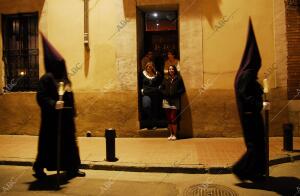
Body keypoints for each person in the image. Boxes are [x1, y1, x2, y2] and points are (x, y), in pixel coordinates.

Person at [33, 34, 85, 179]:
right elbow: (41, 97)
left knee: (70, 144)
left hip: (66, 118)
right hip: (52, 120)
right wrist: (53, 103)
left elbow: (70, 96)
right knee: (47, 145)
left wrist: (72, 109)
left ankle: (72, 168)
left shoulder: (64, 79)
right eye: (59, 63)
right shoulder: (46, 78)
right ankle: (39, 168)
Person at [232, 19, 266, 182]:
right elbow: (245, 94)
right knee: (254, 145)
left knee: (258, 144)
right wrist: (259, 104)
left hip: (251, 114)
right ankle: (240, 170)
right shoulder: (247, 73)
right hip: (250, 115)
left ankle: (255, 172)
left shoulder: (247, 72)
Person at [160, 65, 185, 140]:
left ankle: (175, 134)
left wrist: (176, 93)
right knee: (168, 118)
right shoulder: (165, 78)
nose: (171, 70)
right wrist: (165, 93)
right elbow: (161, 88)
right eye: (170, 69)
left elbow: (182, 89)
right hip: (166, 100)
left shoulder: (178, 78)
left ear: (175, 70)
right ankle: (171, 134)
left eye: (172, 69)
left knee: (173, 117)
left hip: (175, 100)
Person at [141, 61, 162, 129]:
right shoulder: (143, 74)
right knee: (146, 106)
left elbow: (160, 84)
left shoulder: (157, 74)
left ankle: (154, 124)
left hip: (155, 94)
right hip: (146, 93)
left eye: (150, 66)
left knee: (155, 108)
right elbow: (140, 83)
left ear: (153, 67)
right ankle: (150, 121)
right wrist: (142, 90)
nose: (148, 68)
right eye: (147, 66)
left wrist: (158, 88)